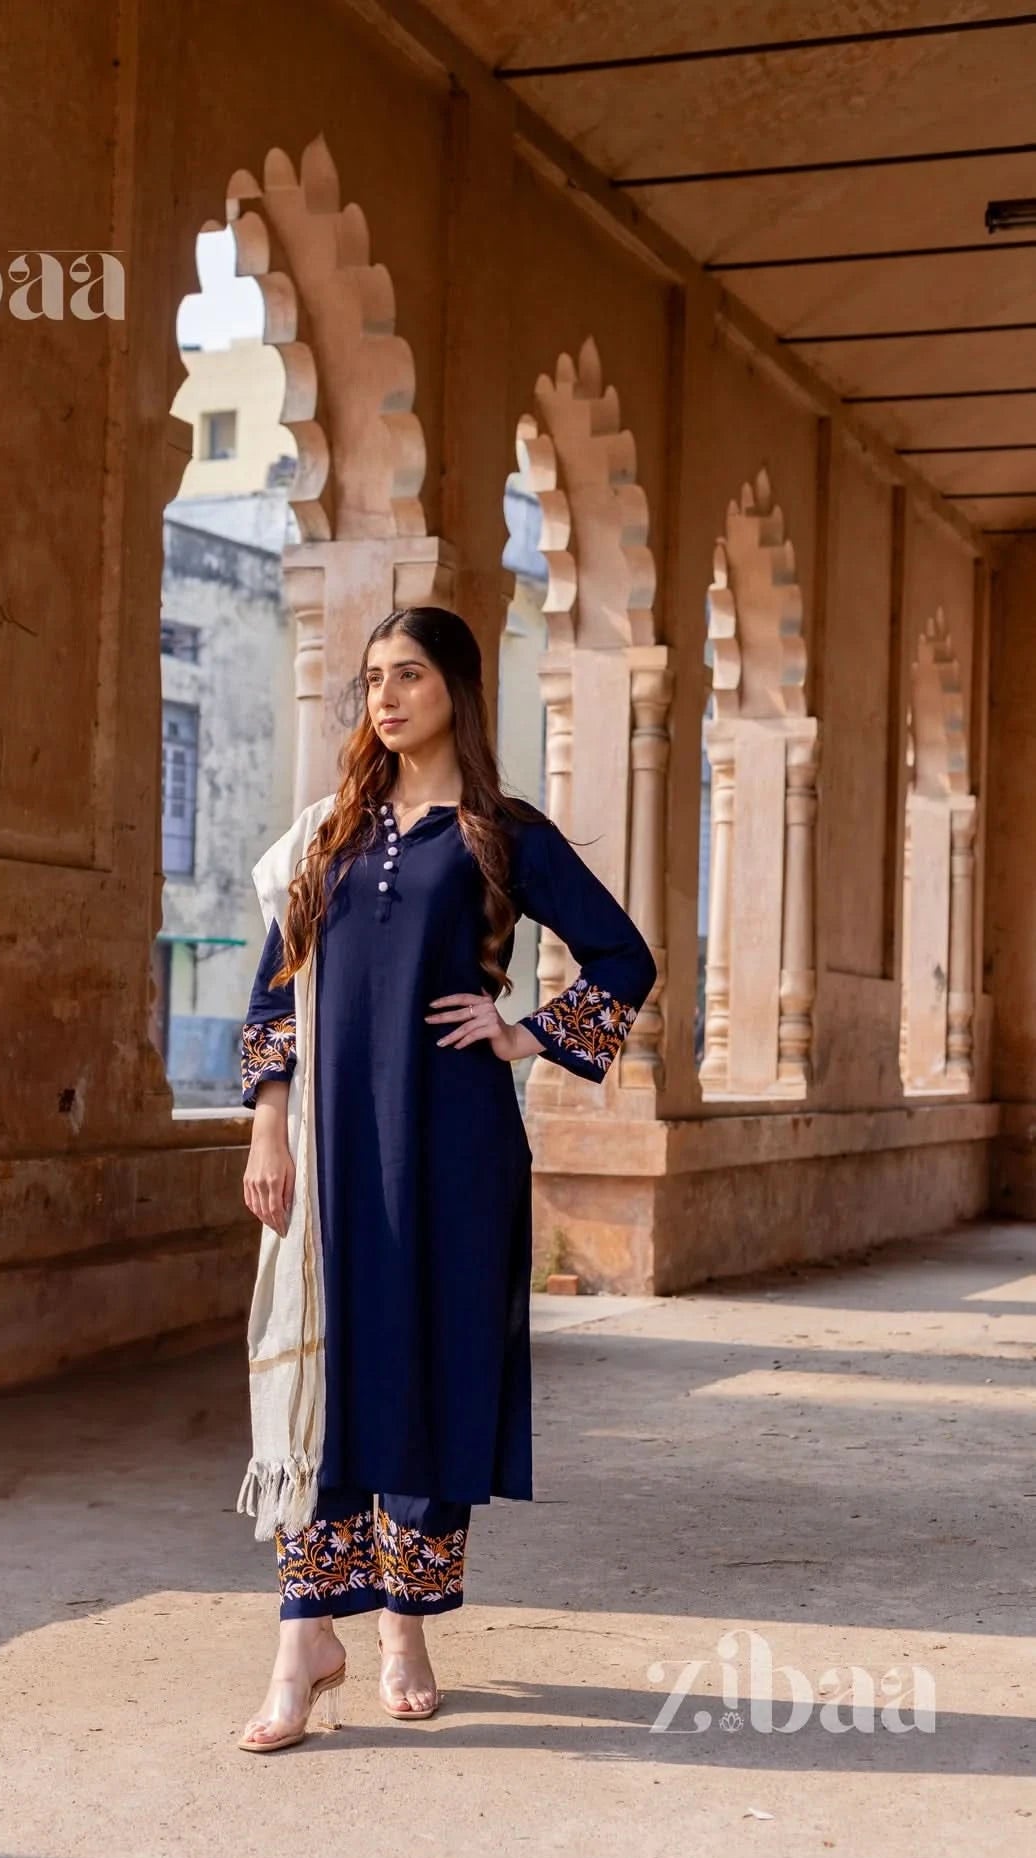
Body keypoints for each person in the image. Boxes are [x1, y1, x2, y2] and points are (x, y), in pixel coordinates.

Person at [234, 605, 657, 1753]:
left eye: (408, 676)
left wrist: (524, 1031)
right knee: (327, 1379)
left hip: (456, 1150)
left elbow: (624, 955)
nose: (384, 697)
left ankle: (405, 1626)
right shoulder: (326, 835)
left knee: (428, 1368)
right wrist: (267, 1128)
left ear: (456, 693)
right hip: (330, 1152)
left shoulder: (499, 836)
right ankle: (304, 1636)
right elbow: (277, 995)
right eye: (372, 678)